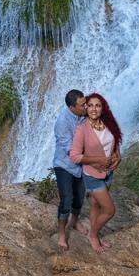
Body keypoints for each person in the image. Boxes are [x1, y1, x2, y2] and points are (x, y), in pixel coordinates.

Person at [69, 92, 122, 254]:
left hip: (108, 173)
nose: (94, 109)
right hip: (92, 176)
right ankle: (93, 235)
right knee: (109, 210)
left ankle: (95, 233)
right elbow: (75, 156)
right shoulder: (82, 129)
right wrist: (98, 160)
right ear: (86, 108)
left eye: (97, 105)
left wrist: (117, 155)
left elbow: (114, 141)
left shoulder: (108, 123)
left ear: (102, 108)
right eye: (90, 105)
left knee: (95, 204)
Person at [53, 89, 89, 250]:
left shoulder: (85, 114)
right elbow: (71, 151)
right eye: (82, 105)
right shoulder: (62, 122)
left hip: (81, 165)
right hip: (64, 165)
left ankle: (74, 221)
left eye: (85, 102)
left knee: (79, 197)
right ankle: (61, 232)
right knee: (66, 199)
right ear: (72, 107)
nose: (86, 106)